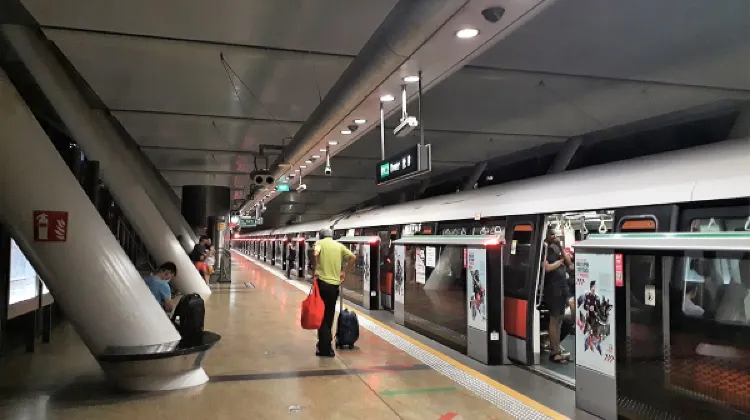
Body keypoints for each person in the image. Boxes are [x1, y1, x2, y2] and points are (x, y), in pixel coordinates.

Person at [312, 228, 355, 357]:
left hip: (322, 284)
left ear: (321, 235)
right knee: (329, 316)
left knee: (320, 316)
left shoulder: (319, 243)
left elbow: (315, 254)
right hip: (334, 286)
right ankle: (325, 346)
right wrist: (344, 271)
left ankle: (324, 347)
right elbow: (353, 257)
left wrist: (315, 268)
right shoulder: (339, 246)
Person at [544, 227, 573, 364]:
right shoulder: (543, 248)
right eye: (551, 234)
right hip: (552, 288)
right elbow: (547, 267)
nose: (553, 236)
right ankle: (554, 351)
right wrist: (560, 262)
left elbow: (568, 261)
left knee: (560, 319)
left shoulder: (557, 248)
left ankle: (556, 347)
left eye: (554, 234)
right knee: (554, 319)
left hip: (562, 286)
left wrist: (561, 246)